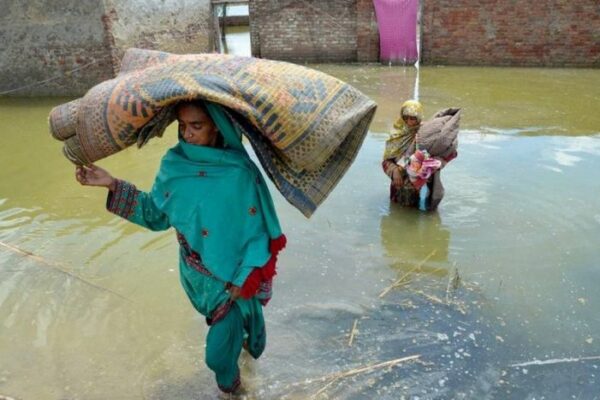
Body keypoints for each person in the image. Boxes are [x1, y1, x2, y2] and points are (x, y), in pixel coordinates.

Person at [75, 100, 286, 395]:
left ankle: (235, 392)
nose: (187, 134)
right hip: (198, 276)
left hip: (234, 277)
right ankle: (241, 376)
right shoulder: (174, 165)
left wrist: (245, 278)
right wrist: (112, 185)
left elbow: (258, 232)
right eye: (183, 126)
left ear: (217, 127)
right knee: (229, 338)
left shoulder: (239, 172)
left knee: (217, 355)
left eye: (196, 126)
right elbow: (156, 214)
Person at [382, 100, 458, 211]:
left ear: (418, 117)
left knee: (425, 212)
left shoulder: (427, 132)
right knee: (397, 213)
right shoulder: (397, 133)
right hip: (399, 186)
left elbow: (449, 151)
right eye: (406, 118)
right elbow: (386, 160)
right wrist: (394, 170)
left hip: (424, 183)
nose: (409, 121)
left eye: (412, 118)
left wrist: (434, 164)